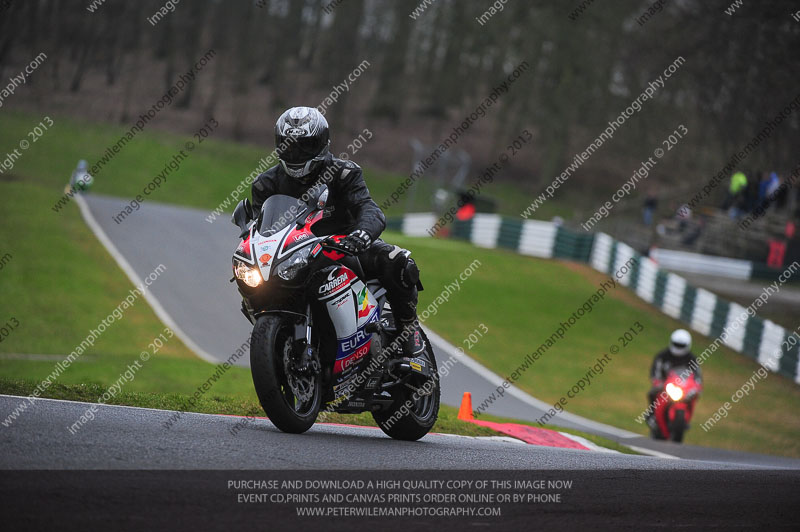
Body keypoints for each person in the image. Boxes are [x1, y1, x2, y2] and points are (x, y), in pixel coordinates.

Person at [250, 106, 425, 357]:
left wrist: (362, 235)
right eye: (289, 146)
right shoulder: (265, 184)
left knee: (397, 260)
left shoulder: (344, 173)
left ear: (322, 144)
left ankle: (409, 329)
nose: (296, 153)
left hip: (344, 247)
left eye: (305, 145)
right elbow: (260, 228)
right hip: (293, 256)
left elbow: (369, 208)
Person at [646, 329, 702, 428]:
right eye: (676, 344)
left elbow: (697, 376)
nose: (678, 348)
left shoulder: (691, 358)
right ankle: (652, 415)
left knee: (694, 397)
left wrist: (696, 387)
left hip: (684, 388)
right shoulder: (662, 356)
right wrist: (658, 383)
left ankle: (687, 419)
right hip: (665, 386)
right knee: (652, 393)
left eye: (681, 346)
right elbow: (655, 372)